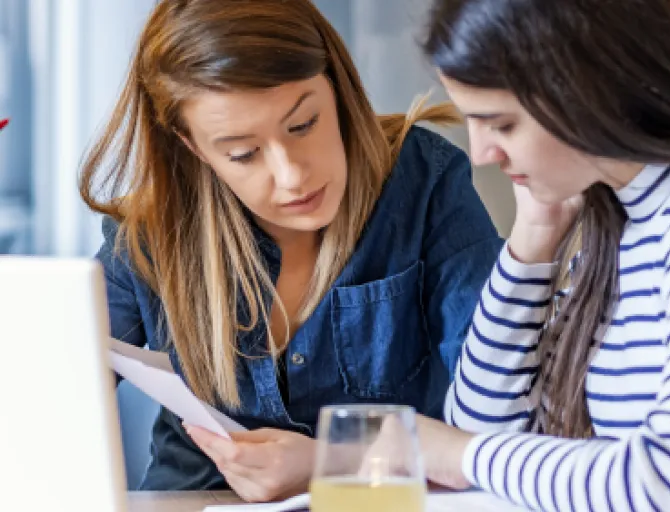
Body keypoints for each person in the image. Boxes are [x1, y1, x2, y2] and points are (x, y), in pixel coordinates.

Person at [80, 0, 502, 500]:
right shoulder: (150, 235)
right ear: (191, 146)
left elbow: (495, 427)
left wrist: (331, 461)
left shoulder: (426, 185)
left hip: (374, 503)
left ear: (337, 87)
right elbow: (48, 393)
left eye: (303, 125)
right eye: (243, 153)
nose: (292, 175)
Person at [412, 0, 670, 510]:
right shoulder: (619, 219)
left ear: (584, 90)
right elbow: (486, 428)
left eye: (501, 124)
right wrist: (532, 241)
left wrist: (462, 456)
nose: (482, 153)